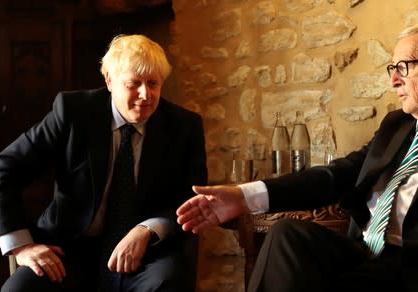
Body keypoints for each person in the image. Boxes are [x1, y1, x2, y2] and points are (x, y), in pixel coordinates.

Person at [177, 24, 418, 292]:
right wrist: (243, 198)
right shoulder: (397, 125)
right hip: (362, 252)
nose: (394, 80)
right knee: (286, 234)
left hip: (406, 268)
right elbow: (337, 176)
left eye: (404, 67)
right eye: (392, 68)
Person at [0, 34, 207, 292]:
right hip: (69, 249)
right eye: (134, 83)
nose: (146, 95)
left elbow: (191, 200)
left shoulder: (183, 126)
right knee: (18, 290)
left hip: (146, 254)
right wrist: (21, 246)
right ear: (110, 81)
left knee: (167, 282)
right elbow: (2, 171)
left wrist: (148, 230)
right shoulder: (73, 112)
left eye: (153, 83)